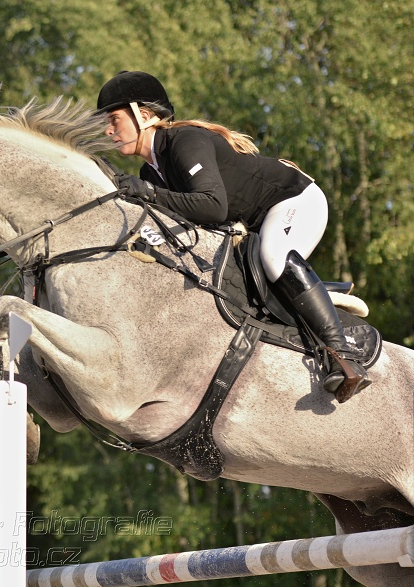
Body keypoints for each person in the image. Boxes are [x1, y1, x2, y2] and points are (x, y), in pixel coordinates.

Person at [96, 70, 370, 402]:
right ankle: (312, 290)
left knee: (275, 254)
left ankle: (343, 355)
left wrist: (149, 194)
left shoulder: (184, 140)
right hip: (253, 224)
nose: (108, 129)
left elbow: (212, 206)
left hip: (294, 202)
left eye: (114, 119)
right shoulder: (149, 170)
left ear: (144, 114)